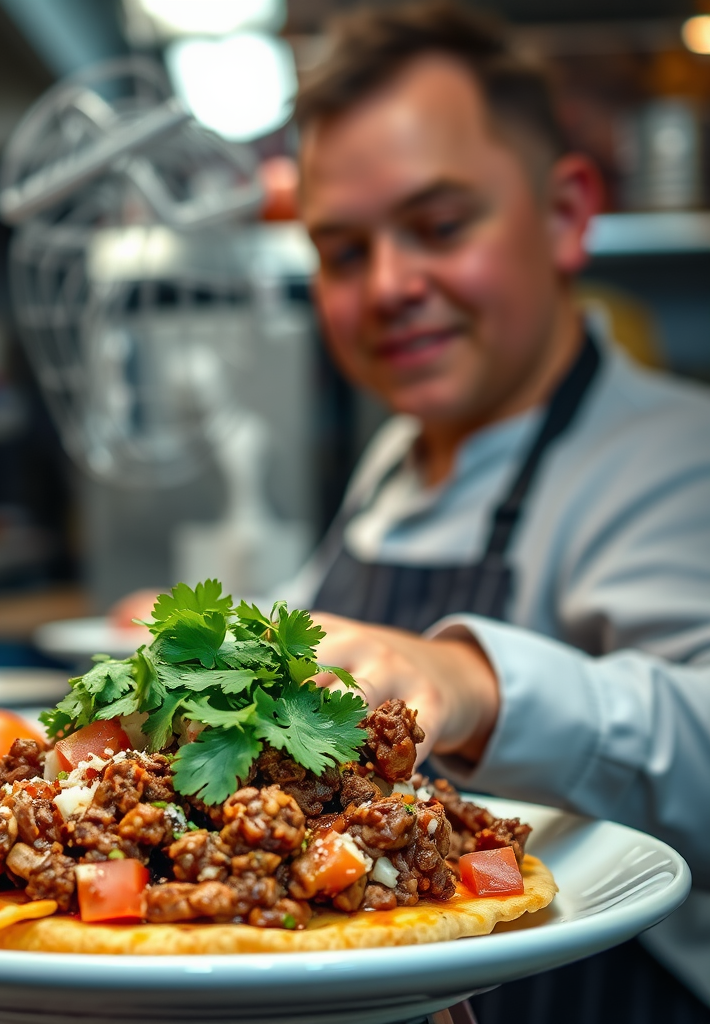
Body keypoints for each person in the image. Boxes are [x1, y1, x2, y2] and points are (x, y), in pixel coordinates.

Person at [277, 2, 710, 1020]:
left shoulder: (678, 452)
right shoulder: (395, 458)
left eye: (438, 226)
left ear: (564, 214)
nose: (388, 286)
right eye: (343, 251)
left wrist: (472, 679)